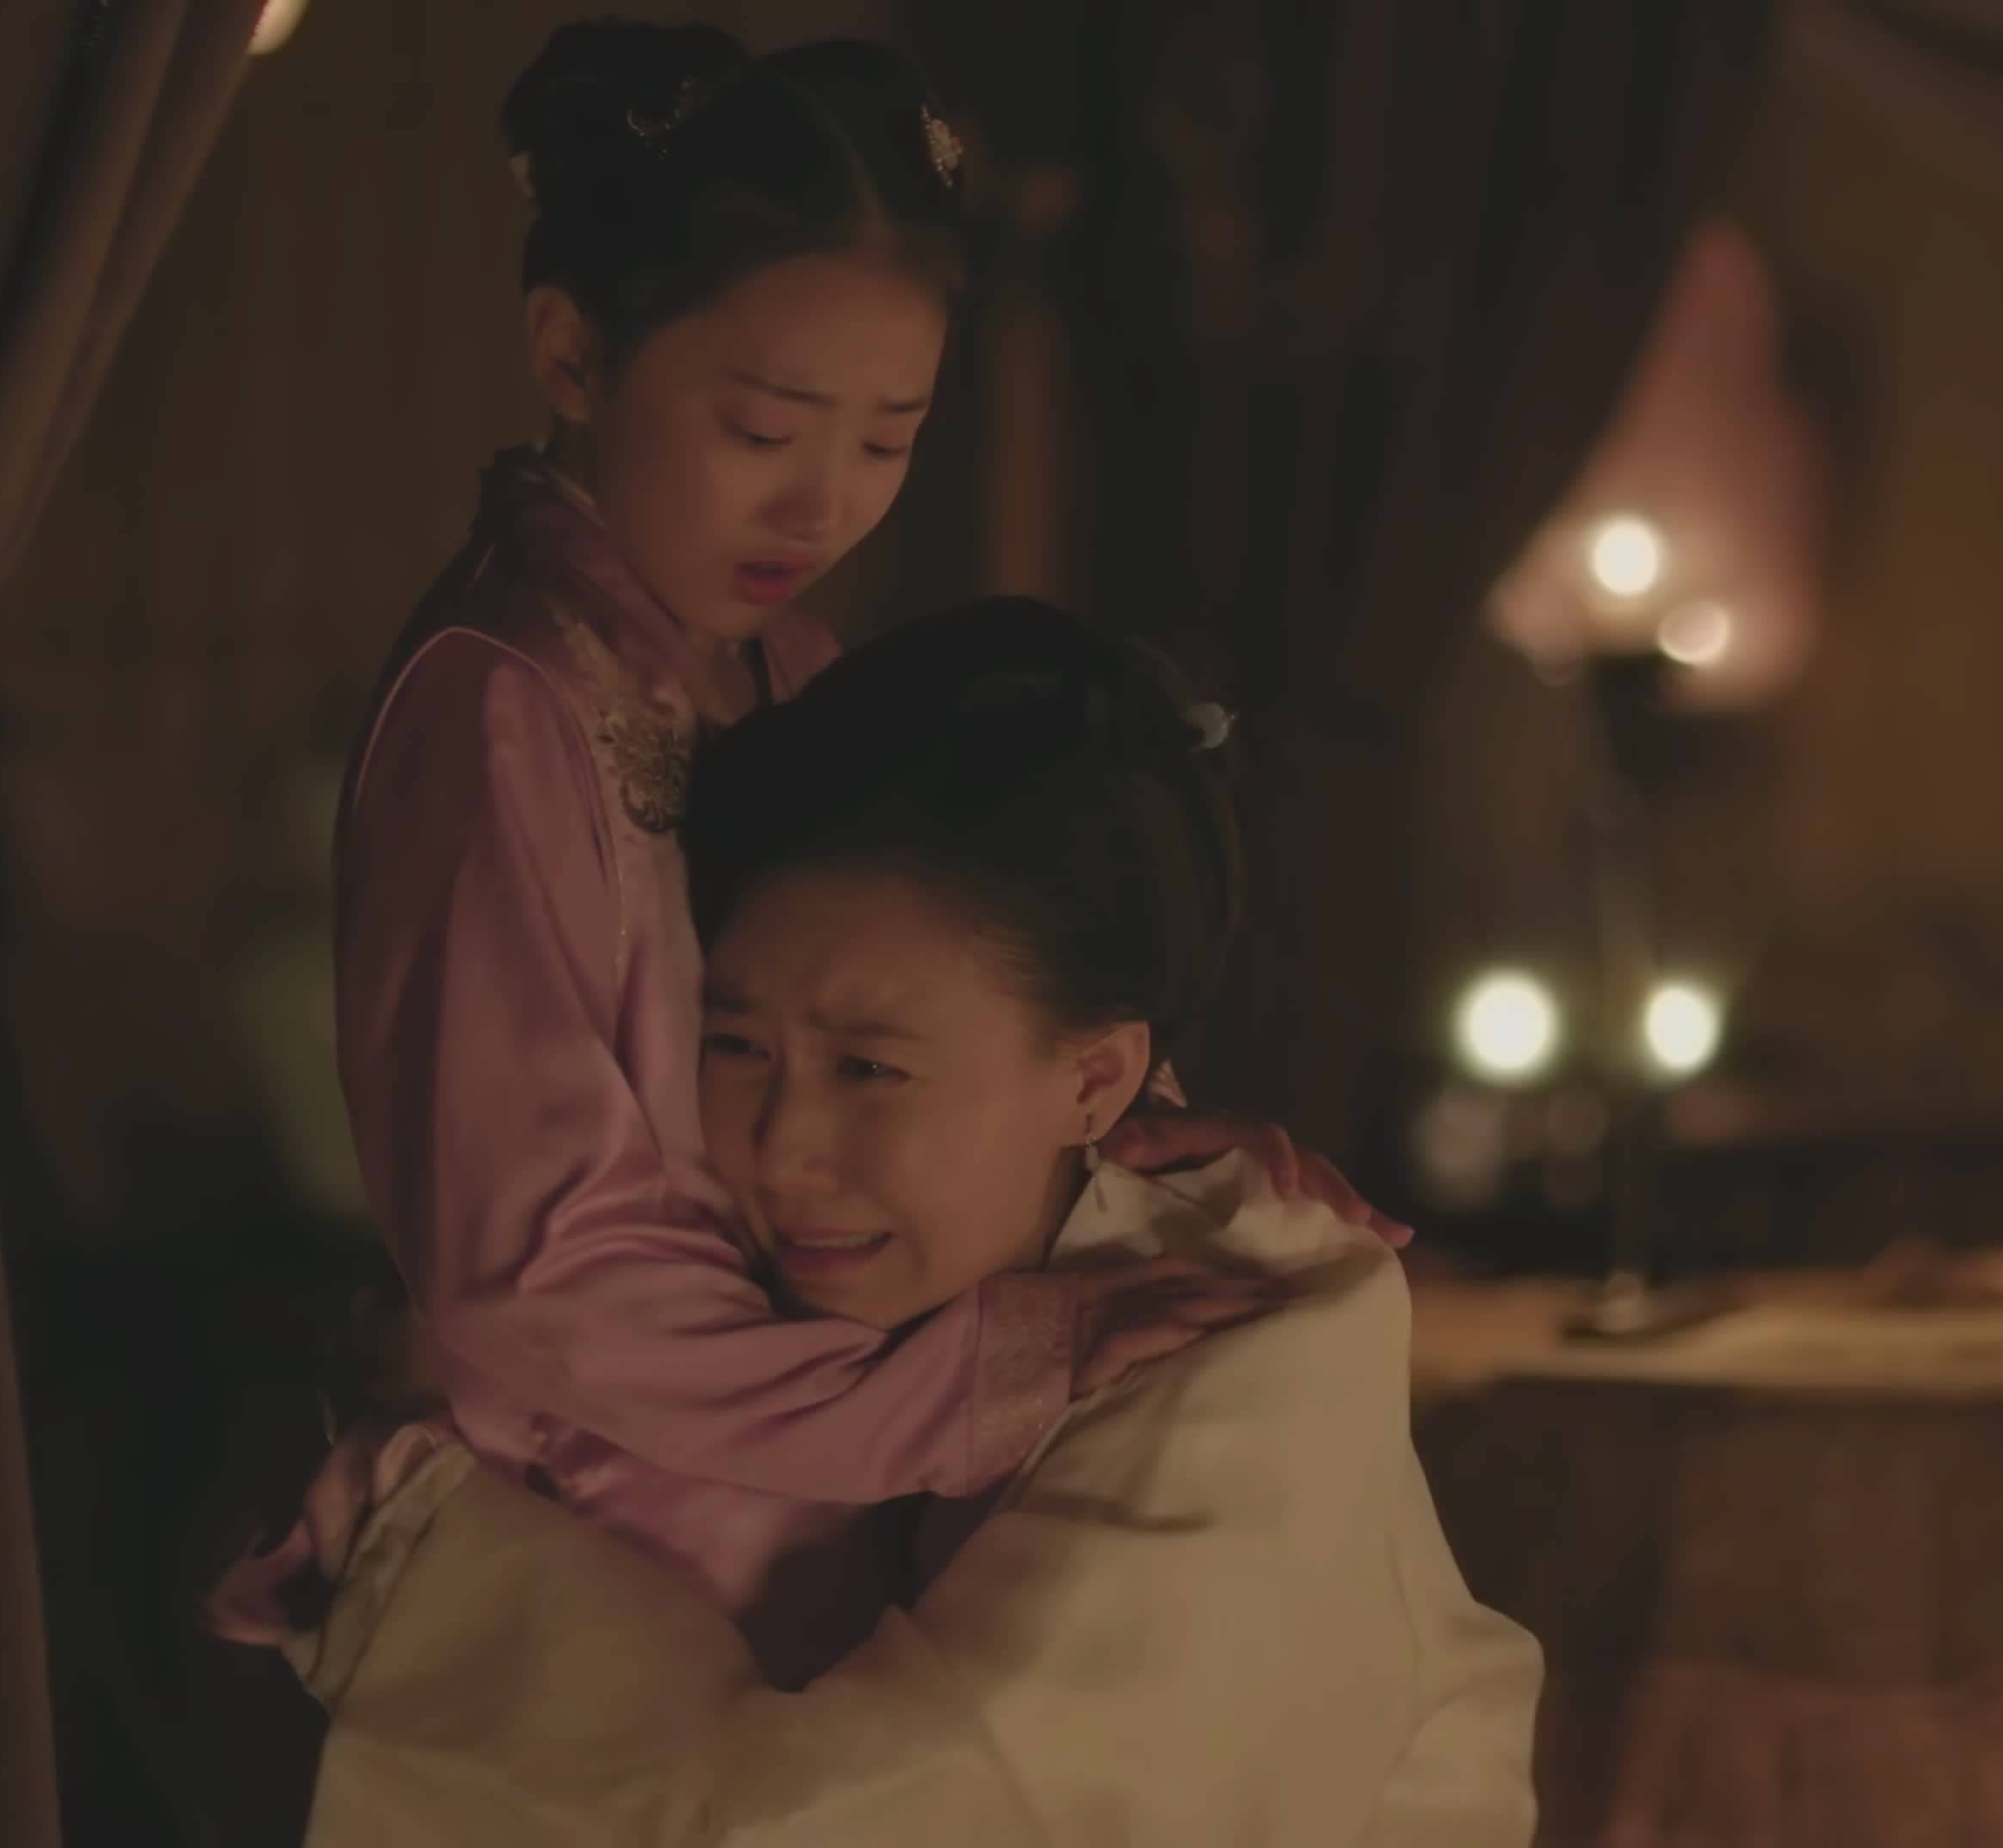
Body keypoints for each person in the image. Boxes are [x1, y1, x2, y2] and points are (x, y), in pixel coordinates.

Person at [305, 19, 1393, 1685]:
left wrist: (1118, 1136)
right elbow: (536, 1273)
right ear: (574, 353)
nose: (821, 505)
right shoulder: (501, 702)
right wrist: (972, 1382)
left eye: (886, 442)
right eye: (764, 430)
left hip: (818, 1466)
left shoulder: (787, 665)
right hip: (612, 1515)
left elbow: (936, 983)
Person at [246, 602, 1542, 1845]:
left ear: (1097, 1078)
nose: (783, 1148)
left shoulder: (1243, 1365)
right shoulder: (780, 1294)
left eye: (870, 1068)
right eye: (736, 1045)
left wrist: (429, 1543)